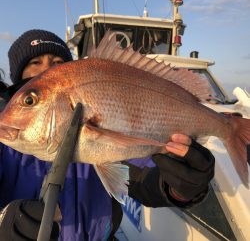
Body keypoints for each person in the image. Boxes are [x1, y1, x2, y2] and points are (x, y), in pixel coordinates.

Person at [0, 29, 215, 241]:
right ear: (18, 77)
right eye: (35, 62)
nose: (46, 68)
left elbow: (143, 179)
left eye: (57, 62)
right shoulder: (5, 144)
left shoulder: (91, 124)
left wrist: (180, 186)